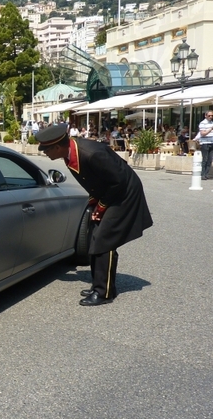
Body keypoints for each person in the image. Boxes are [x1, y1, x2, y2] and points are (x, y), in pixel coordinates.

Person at [36, 124, 153, 306]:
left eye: (46, 150)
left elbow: (118, 181)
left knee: (103, 240)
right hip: (110, 191)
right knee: (94, 237)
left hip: (123, 193)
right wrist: (94, 201)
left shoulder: (91, 153)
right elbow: (94, 180)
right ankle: (101, 285)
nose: (45, 153)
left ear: (58, 147)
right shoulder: (70, 152)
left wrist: (102, 206)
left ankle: (103, 293)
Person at [198, 111, 213, 180]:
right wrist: (210, 129)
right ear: (205, 116)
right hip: (205, 143)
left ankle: (206, 174)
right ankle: (202, 174)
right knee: (205, 159)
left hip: (211, 142)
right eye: (209, 115)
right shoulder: (202, 123)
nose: (211, 117)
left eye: (212, 115)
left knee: (210, 159)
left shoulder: (212, 123)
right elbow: (203, 133)